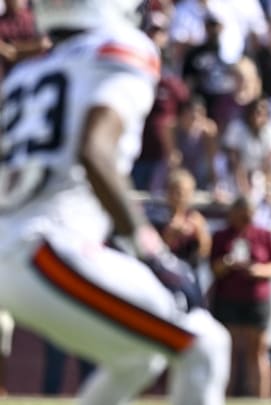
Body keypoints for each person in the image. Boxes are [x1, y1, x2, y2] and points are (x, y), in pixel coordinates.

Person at [0, 1, 230, 404]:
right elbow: (95, 153)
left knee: (139, 358)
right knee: (205, 346)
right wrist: (150, 251)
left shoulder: (27, 72)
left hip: (21, 245)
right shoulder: (118, 48)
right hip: (46, 245)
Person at [210, 195, 271, 398]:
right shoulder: (221, 236)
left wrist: (258, 270)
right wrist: (227, 264)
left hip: (257, 299)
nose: (246, 219)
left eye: (249, 215)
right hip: (228, 298)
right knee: (229, 352)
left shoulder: (264, 234)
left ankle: (261, 399)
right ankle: (223, 398)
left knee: (257, 351)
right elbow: (213, 269)